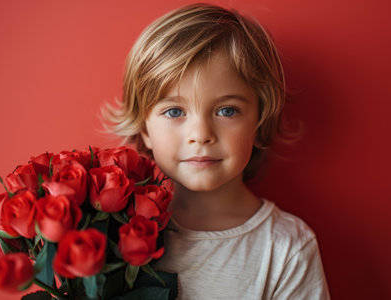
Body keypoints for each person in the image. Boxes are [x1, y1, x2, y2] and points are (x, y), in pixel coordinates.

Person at [105, 3, 330, 299]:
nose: (201, 135)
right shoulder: (110, 231)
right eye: (174, 111)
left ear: (260, 121)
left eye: (227, 110)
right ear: (145, 129)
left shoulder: (287, 248)